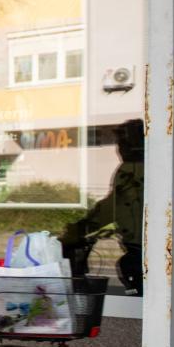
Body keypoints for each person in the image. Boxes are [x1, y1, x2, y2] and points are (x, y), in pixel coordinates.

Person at [60, 119, 143, 293]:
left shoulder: (133, 169)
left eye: (122, 144)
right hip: (144, 246)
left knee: (130, 266)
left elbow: (112, 208)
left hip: (142, 250)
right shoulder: (144, 167)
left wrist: (80, 230)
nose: (119, 150)